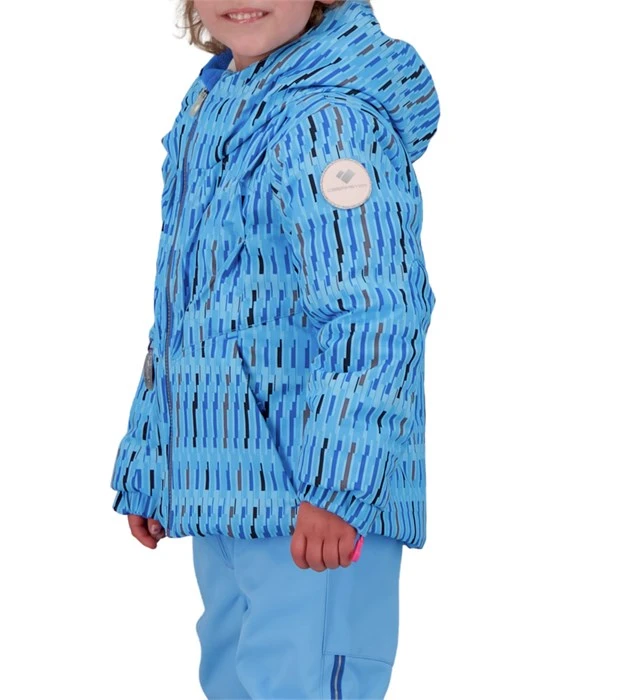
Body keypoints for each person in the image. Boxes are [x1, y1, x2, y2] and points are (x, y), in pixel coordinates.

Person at [109, 1, 440, 697]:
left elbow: (375, 313)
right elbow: (183, 311)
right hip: (226, 486)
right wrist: (155, 460)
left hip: (317, 506)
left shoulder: (331, 123)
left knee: (301, 680)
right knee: (234, 679)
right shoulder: (216, 107)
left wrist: (337, 487)